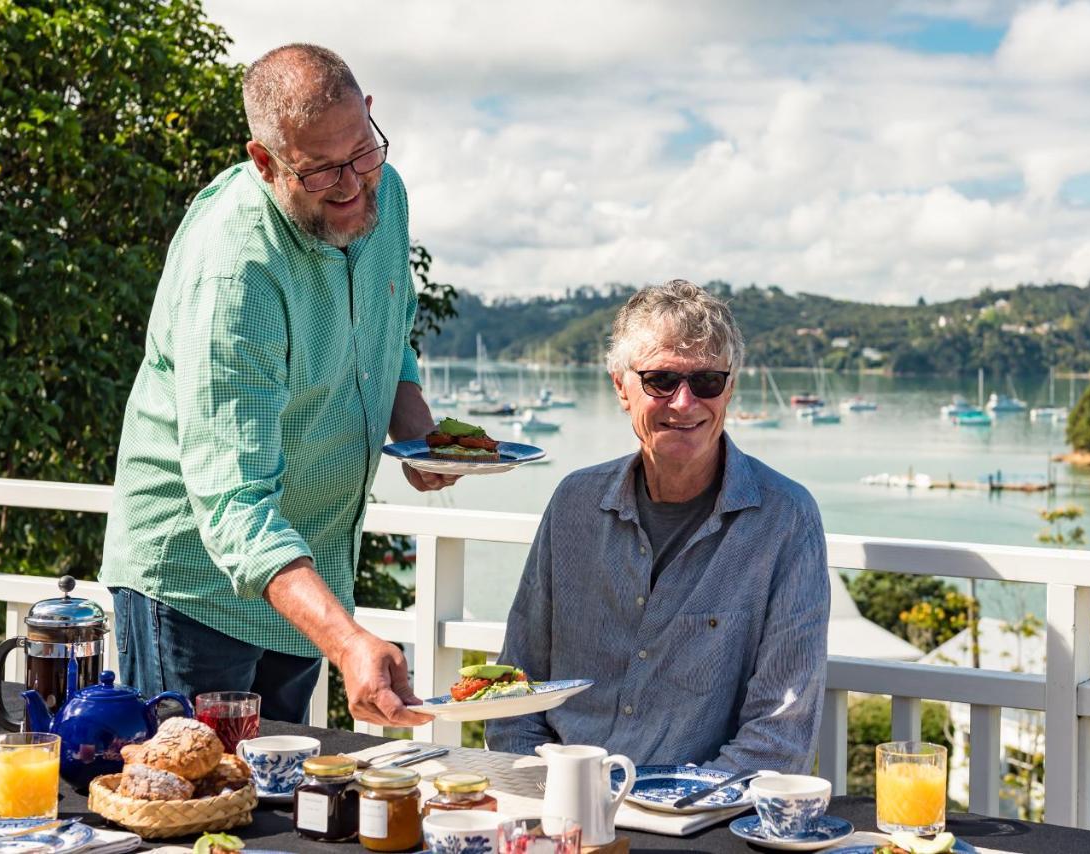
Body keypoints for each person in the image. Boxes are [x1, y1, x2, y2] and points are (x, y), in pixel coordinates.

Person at [100, 44, 445, 726]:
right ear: (264, 161)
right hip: (196, 585)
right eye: (319, 171)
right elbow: (233, 504)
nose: (351, 186)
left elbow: (388, 319)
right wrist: (348, 641)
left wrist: (416, 426)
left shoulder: (387, 191)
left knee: (278, 806)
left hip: (307, 579)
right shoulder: (235, 270)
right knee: (195, 806)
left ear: (370, 118)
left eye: (362, 153)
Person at [486, 280, 829, 773]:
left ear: (730, 388)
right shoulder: (574, 504)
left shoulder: (785, 521)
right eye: (661, 380)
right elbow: (512, 693)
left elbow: (779, 736)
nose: (685, 402)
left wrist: (658, 810)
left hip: (697, 819)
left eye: (707, 381)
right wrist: (546, 790)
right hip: (557, 803)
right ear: (620, 387)